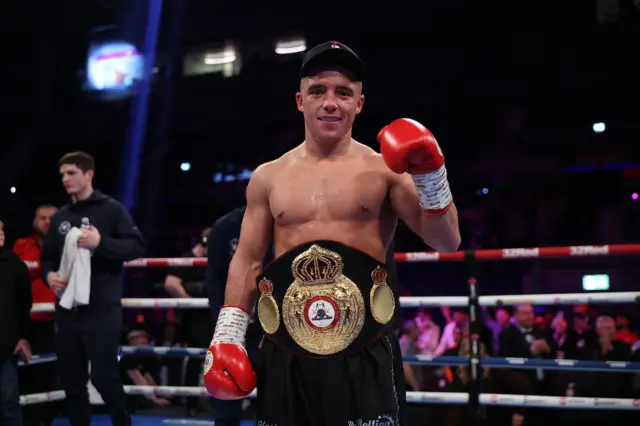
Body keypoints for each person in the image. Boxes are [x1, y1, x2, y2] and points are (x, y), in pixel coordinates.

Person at [203, 41, 461, 425]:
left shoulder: (385, 171)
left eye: (343, 92)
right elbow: (248, 259)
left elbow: (446, 240)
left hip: (366, 346)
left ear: (359, 104)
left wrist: (431, 175)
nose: (330, 102)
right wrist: (227, 334)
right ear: (299, 100)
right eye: (318, 90)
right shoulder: (268, 177)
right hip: (285, 347)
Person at [40, 152, 146, 426]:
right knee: (71, 380)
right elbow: (48, 256)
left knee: (103, 376)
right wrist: (48, 275)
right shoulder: (61, 216)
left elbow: (136, 247)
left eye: (71, 173)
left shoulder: (111, 209)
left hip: (101, 308)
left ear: (89, 174)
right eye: (62, 174)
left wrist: (102, 243)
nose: (65, 179)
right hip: (68, 310)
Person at [205, 206, 273, 426]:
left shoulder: (281, 225)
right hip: (232, 324)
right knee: (226, 402)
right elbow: (214, 276)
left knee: (273, 401)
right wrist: (222, 321)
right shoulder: (226, 226)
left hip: (271, 325)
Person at [13, 204, 59, 426]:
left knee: (50, 372)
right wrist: (46, 269)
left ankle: (44, 420)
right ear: (34, 221)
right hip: (24, 320)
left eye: (52, 218)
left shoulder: (66, 245)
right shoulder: (21, 245)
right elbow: (15, 275)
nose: (47, 222)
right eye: (43, 218)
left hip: (54, 321)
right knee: (23, 370)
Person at [163, 227, 213, 416]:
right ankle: (191, 403)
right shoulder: (187, 259)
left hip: (213, 313)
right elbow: (170, 283)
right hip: (195, 316)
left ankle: (218, 401)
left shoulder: (215, 259)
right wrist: (191, 302)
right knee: (196, 356)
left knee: (217, 356)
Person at [0, 219, 33, 426]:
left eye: (2, 229)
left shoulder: (14, 264)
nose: (0, 233)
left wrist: (23, 336)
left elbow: (25, 305)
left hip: (5, 349)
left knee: (9, 403)